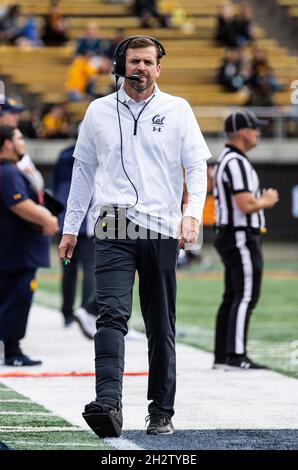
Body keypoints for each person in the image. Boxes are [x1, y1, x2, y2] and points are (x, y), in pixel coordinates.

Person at [59, 35, 211, 437]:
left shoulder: (178, 109)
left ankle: (161, 410)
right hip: (111, 223)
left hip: (162, 225)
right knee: (110, 314)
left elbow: (196, 167)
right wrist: (71, 227)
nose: (140, 68)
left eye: (148, 62)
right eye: (134, 61)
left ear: (159, 68)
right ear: (119, 66)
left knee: (160, 323)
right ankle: (108, 402)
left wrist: (191, 214)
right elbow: (82, 174)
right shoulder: (97, 111)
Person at [213, 109, 279, 370]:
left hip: (233, 235)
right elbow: (244, 203)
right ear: (243, 132)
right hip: (240, 235)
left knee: (233, 295)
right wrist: (266, 200)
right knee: (245, 295)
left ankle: (223, 356)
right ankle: (235, 356)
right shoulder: (235, 162)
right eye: (256, 128)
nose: (259, 133)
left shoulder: (230, 159)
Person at [0, 125, 58, 366]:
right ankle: (12, 351)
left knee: (12, 298)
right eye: (18, 138)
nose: (22, 142)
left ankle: (12, 348)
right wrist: (48, 219)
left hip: (16, 250)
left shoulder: (13, 170)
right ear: (7, 143)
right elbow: (19, 204)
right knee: (17, 299)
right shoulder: (8, 172)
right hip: (18, 251)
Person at [53, 135, 97, 334]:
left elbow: (57, 188)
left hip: (66, 221)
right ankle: (85, 309)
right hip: (86, 222)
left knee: (68, 269)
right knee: (89, 268)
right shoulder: (93, 154)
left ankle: (67, 312)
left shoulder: (63, 155)